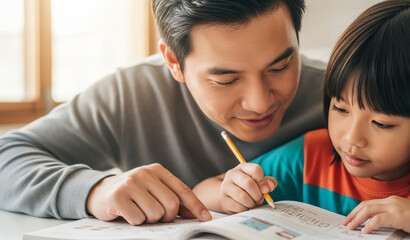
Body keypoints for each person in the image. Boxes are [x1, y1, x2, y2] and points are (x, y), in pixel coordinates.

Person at [0, 0, 326, 225]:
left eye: (280, 66)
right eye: (225, 79)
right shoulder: (131, 94)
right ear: (174, 62)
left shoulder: (342, 96)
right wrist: (94, 192)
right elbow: (7, 157)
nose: (259, 102)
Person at [193, 0, 410, 237]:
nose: (352, 138)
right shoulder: (311, 157)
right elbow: (202, 193)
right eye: (341, 109)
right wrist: (228, 194)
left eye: (381, 123)